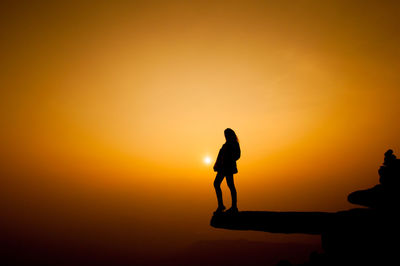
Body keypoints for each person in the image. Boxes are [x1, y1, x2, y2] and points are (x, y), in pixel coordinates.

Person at [213, 128, 241, 213]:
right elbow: (220, 155)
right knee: (218, 184)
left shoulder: (233, 144)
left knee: (229, 185)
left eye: (226, 134)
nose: (225, 136)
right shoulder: (225, 144)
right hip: (222, 168)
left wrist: (229, 159)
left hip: (227, 167)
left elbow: (237, 155)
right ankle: (222, 205)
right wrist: (216, 164)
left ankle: (233, 207)